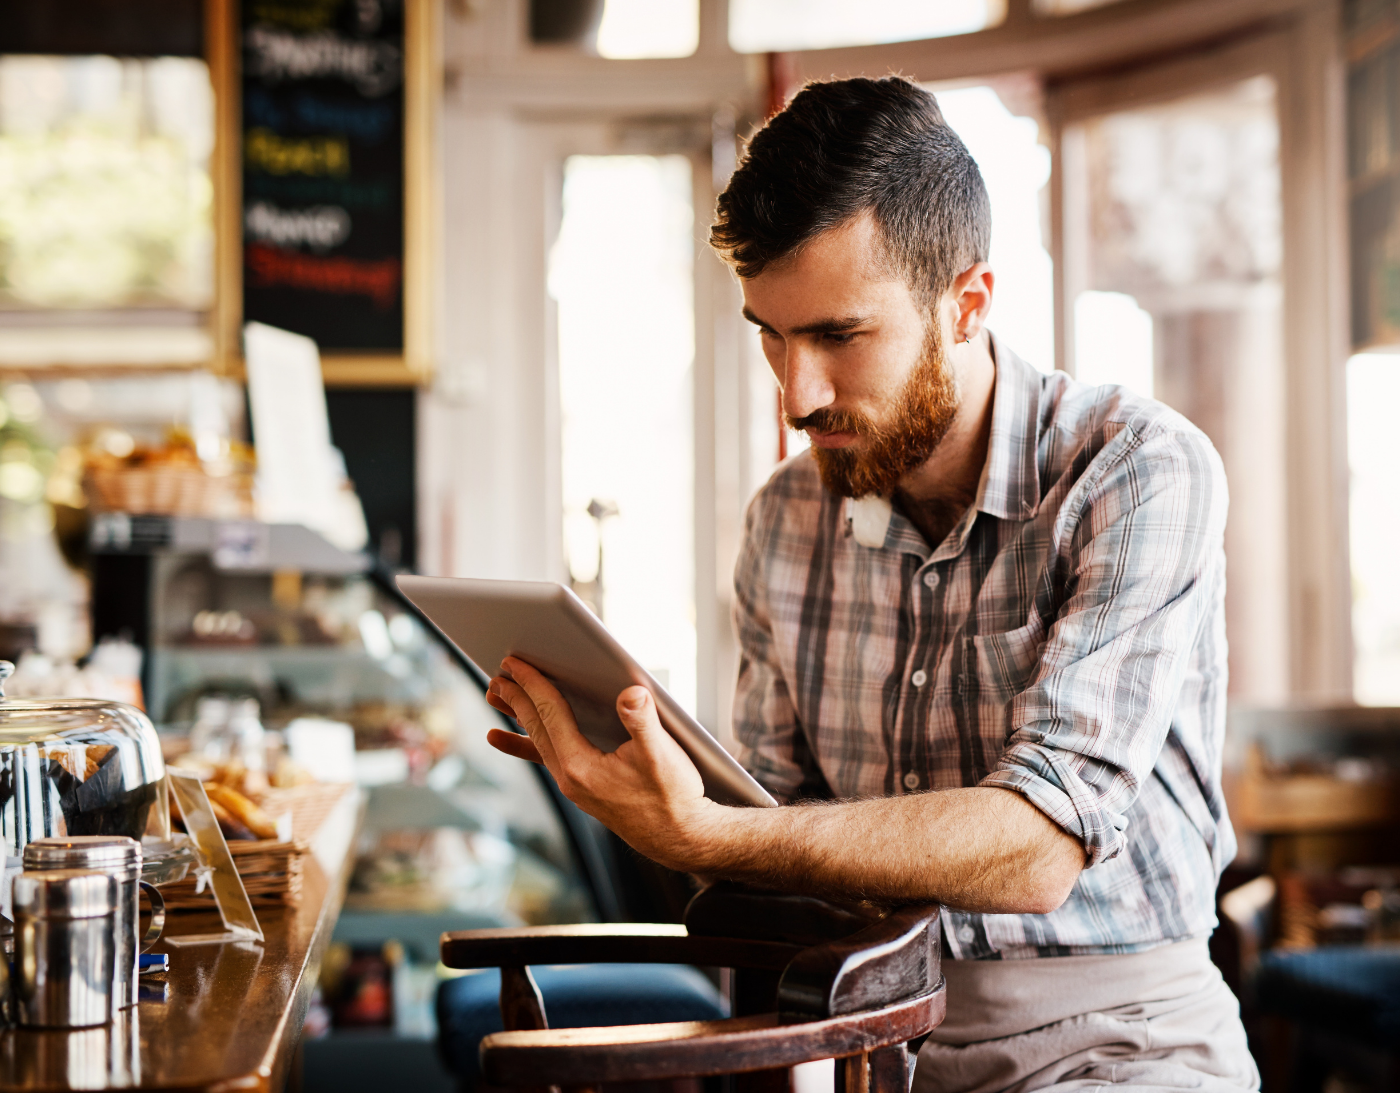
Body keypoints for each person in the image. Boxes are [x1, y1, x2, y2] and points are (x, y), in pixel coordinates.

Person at [485, 75, 1259, 1092]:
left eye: (836, 336)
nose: (795, 392)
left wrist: (720, 832)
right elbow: (773, 840)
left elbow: (1037, 846)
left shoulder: (1134, 469)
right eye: (769, 331)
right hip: (868, 1042)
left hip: (1123, 1041)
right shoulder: (783, 520)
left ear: (966, 302)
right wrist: (656, 808)